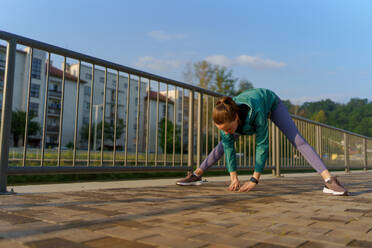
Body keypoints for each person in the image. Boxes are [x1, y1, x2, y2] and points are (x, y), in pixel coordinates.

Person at [176, 88, 348, 196]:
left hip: (270, 103)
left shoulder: (256, 112)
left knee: (297, 140)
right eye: (221, 129)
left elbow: (262, 145)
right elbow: (229, 148)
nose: (225, 132)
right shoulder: (227, 119)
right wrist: (233, 178)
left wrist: (254, 179)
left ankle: (329, 180)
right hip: (243, 117)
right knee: (223, 144)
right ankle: (197, 175)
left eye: (228, 129)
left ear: (236, 118)